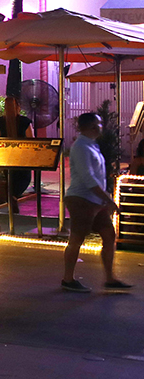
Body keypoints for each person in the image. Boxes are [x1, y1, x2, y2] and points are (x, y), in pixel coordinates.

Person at [62, 112, 132, 293]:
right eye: (99, 123)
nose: (101, 126)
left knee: (109, 234)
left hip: (95, 200)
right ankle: (68, 279)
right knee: (77, 238)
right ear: (92, 127)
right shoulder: (81, 147)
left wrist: (103, 197)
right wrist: (107, 199)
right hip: (81, 199)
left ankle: (110, 278)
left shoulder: (91, 145)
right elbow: (88, 178)